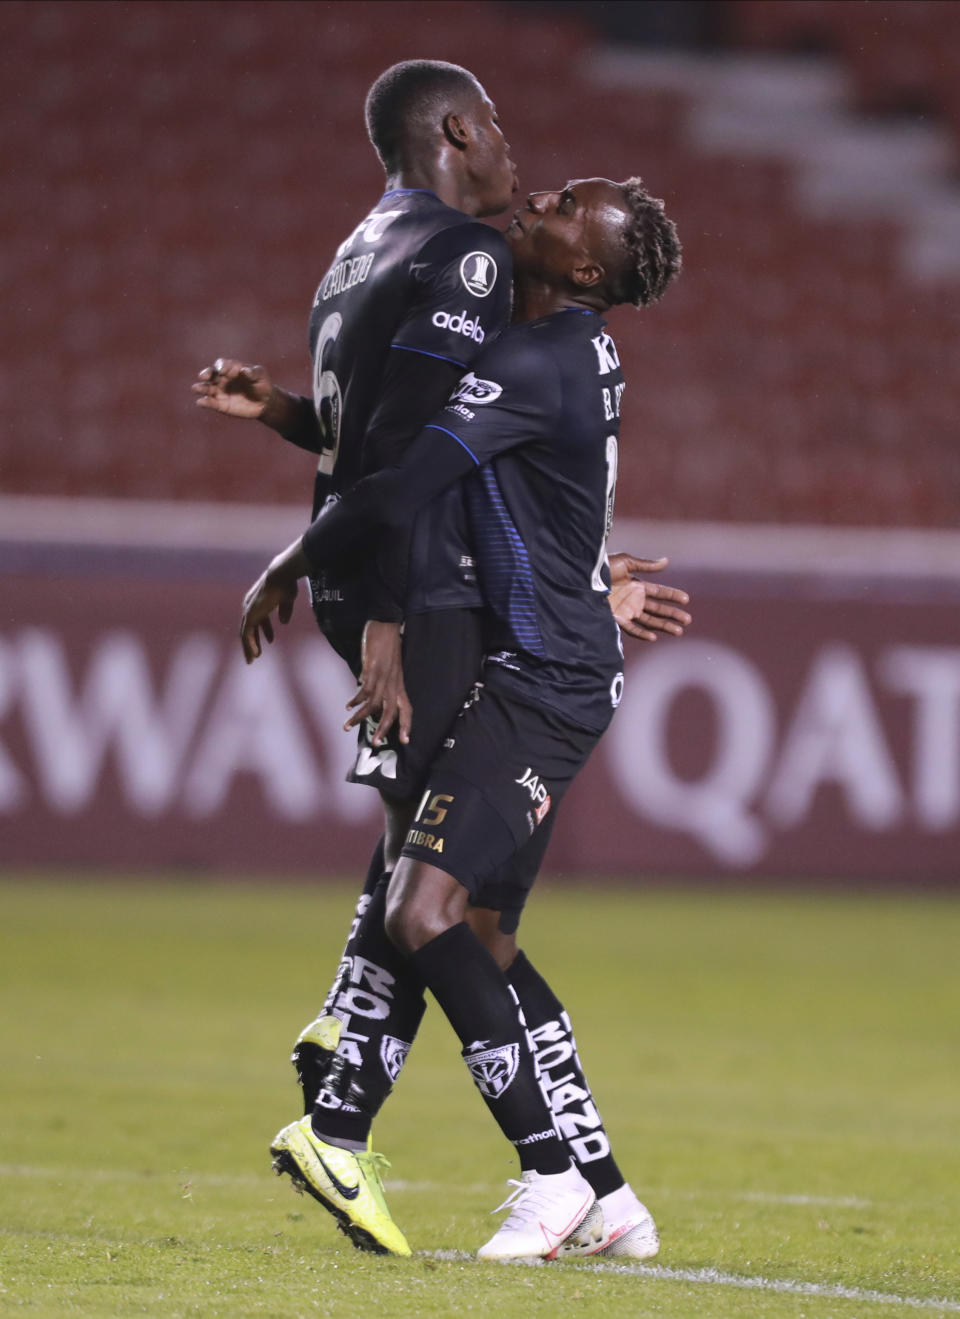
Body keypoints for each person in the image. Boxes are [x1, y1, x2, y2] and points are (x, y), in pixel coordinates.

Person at [239, 174, 683, 1260]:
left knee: (422, 910)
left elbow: (397, 487)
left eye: (572, 204)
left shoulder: (534, 356)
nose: (542, 192)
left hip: (541, 681)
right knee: (480, 934)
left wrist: (287, 558)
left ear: (584, 270)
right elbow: (441, 463)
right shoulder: (558, 347)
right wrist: (295, 418)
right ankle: (608, 1192)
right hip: (544, 655)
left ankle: (549, 1176)